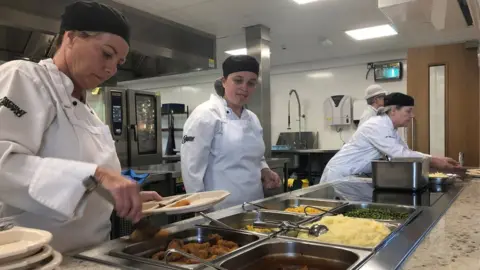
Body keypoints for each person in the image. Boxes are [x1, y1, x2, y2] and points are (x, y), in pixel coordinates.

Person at [0, 1, 161, 253]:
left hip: (94, 254)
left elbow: (88, 188)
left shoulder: (89, 114)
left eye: (118, 62)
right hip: (35, 257)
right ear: (71, 37)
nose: (110, 69)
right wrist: (99, 174)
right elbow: (3, 164)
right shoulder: (25, 77)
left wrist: (124, 198)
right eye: (107, 54)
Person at [181, 55, 281, 210]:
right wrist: (200, 210)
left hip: (254, 206)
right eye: (238, 80)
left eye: (251, 83)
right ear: (224, 81)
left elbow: (257, 157)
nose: (244, 88)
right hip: (219, 211)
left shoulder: (252, 119)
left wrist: (265, 170)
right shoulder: (205, 115)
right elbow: (191, 169)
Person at [320, 93, 459, 183]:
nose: (412, 116)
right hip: (339, 176)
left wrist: (437, 159)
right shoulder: (376, 125)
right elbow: (399, 154)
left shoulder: (391, 129)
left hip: (353, 176)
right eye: (408, 111)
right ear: (393, 110)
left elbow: (404, 152)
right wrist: (434, 160)